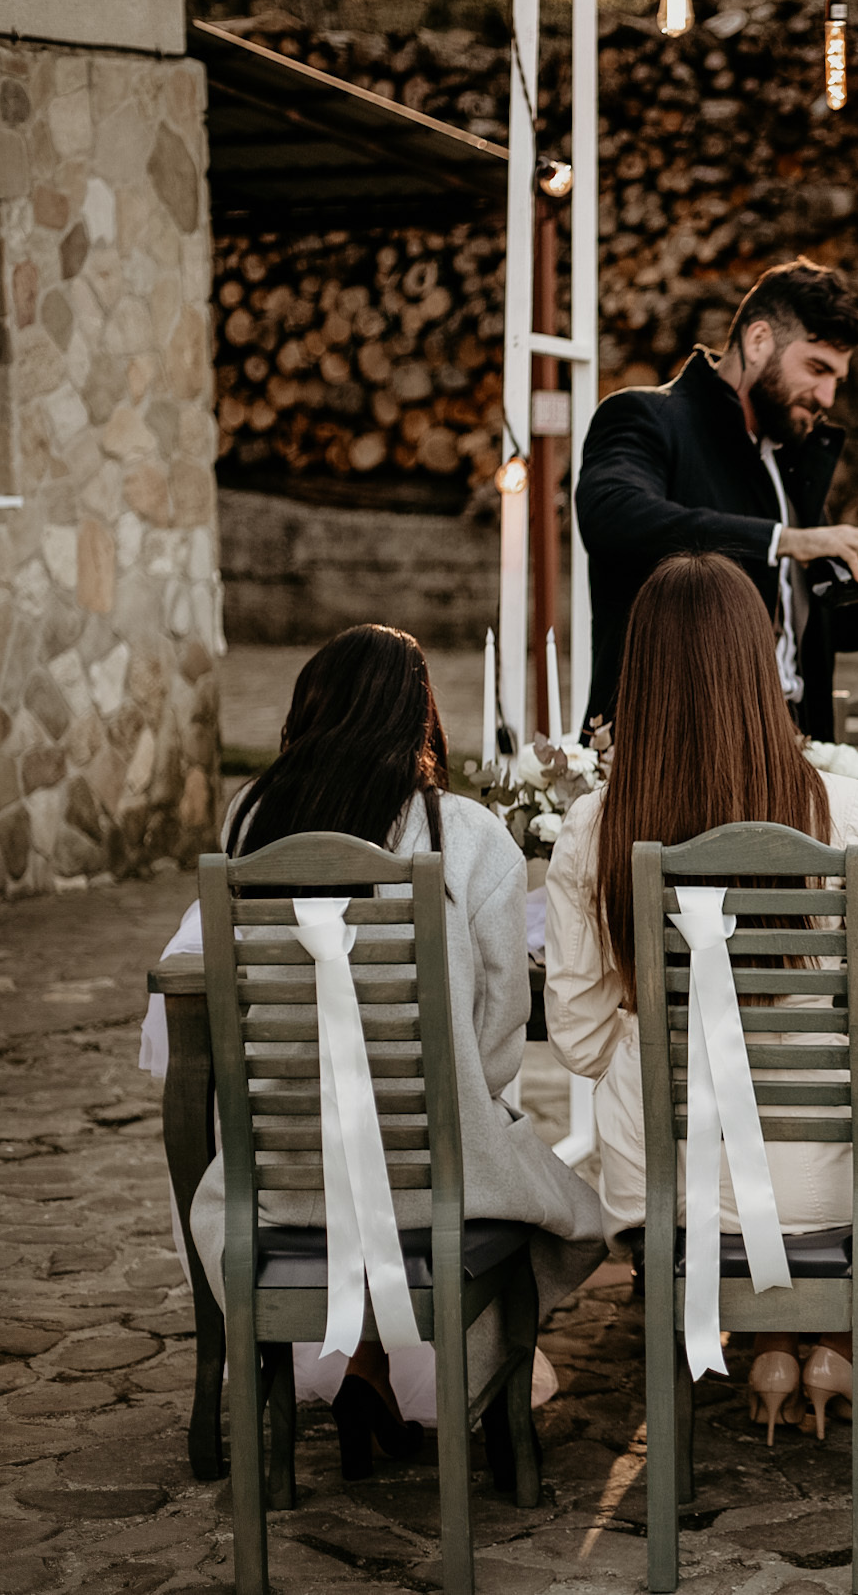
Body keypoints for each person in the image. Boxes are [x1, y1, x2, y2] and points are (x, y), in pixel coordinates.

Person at [185, 625, 611, 1484]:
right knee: (576, 1219)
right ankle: (483, 1401)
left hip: (282, 1178)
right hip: (434, 1171)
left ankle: (365, 1368)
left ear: (308, 712)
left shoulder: (253, 819)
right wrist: (472, 1101)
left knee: (386, 1170)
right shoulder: (462, 832)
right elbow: (498, 1025)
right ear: (420, 719)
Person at [543, 553, 858, 1443]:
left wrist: (676, 1073)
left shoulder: (596, 824)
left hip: (671, 1187)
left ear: (635, 673)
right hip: (840, 1177)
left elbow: (573, 1038)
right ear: (762, 667)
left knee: (713, 1149)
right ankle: (829, 1342)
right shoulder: (845, 813)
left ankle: (769, 1342)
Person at [573, 258, 858, 740]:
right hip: (670, 752)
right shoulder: (644, 416)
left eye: (837, 380)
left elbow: (791, 618)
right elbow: (611, 513)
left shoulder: (789, 461)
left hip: (794, 749)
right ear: (759, 340)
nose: (827, 396)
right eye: (817, 368)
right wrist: (789, 541)